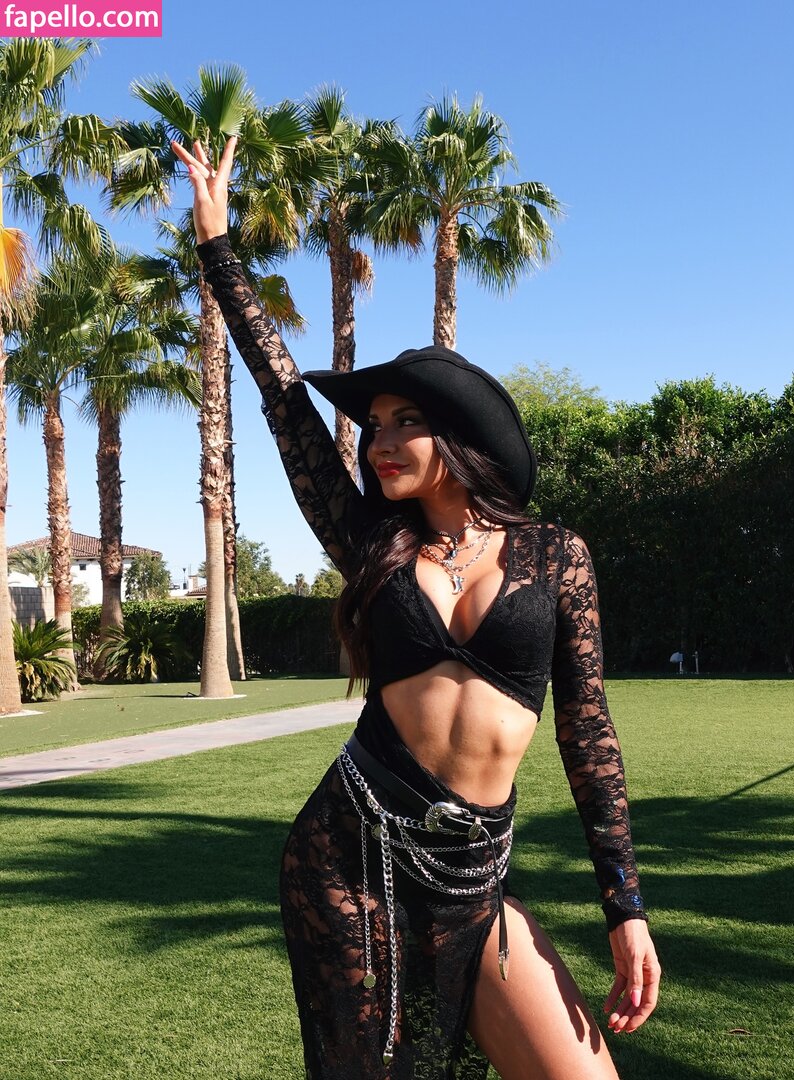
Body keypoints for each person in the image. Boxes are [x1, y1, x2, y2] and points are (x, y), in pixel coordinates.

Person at [173, 136, 660, 1080]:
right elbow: (285, 401)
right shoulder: (371, 542)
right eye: (375, 425)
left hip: (474, 872)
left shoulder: (556, 555)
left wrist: (625, 907)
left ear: (462, 437)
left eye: (408, 422)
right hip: (347, 858)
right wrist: (218, 247)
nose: (380, 442)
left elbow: (588, 730)